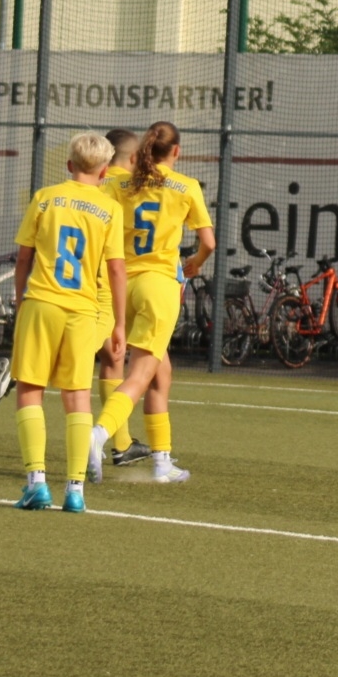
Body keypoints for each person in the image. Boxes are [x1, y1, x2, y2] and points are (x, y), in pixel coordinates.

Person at [88, 121, 214, 486]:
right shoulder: (186, 186)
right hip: (158, 288)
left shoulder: (120, 183)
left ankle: (161, 461)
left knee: (161, 372)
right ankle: (98, 435)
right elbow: (208, 242)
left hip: (123, 287)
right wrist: (195, 263)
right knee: (141, 375)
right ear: (176, 151)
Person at [8, 131, 126, 512]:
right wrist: (119, 324)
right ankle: (75, 490)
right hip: (82, 310)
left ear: (70, 165)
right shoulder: (110, 209)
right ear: (105, 171)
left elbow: (23, 257)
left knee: (30, 389)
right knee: (77, 397)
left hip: (42, 303)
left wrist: (19, 298)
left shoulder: (45, 198)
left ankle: (37, 483)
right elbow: (116, 270)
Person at [94, 128, 150, 466]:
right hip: (117, 281)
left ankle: (122, 443)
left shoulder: (96, 182)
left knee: (111, 358)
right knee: (122, 358)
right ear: (133, 157)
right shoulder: (135, 186)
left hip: (87, 277)